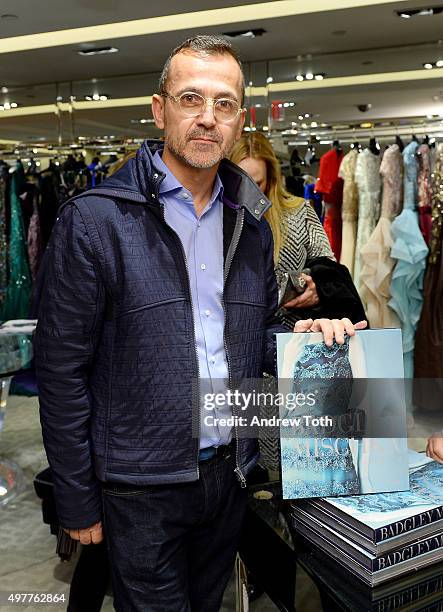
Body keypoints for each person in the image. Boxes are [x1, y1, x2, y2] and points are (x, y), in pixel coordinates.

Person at [34, 34, 366, 612]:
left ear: (240, 119)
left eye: (224, 103)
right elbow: (61, 371)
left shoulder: (251, 225)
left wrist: (301, 341)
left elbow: (257, 332)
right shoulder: (95, 222)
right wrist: (76, 497)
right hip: (138, 487)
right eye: (191, 98)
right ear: (160, 108)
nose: (207, 118)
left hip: (229, 476)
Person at [229, 132, 366, 330]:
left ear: (270, 179)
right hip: (238, 334)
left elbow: (329, 270)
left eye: (257, 183)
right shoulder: (218, 216)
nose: (249, 191)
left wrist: (317, 289)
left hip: (296, 333)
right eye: (241, 181)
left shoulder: (298, 212)